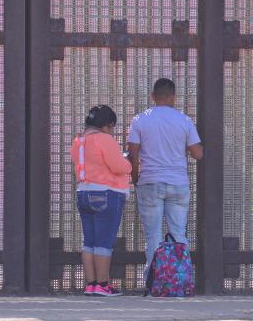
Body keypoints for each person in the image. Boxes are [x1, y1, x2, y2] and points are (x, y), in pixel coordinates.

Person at [127, 78, 203, 283]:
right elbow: (198, 153)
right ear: (173, 97)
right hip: (178, 183)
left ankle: (154, 281)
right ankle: (180, 280)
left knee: (153, 236)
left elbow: (132, 154)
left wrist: (135, 178)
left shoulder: (140, 120)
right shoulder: (184, 120)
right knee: (179, 233)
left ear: (153, 96)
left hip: (150, 181)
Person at [70, 105, 132, 297]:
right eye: (112, 127)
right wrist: (128, 162)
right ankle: (103, 285)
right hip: (106, 194)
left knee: (89, 242)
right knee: (104, 243)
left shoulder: (78, 141)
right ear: (107, 124)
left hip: (83, 193)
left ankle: (91, 284)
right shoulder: (105, 139)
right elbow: (119, 166)